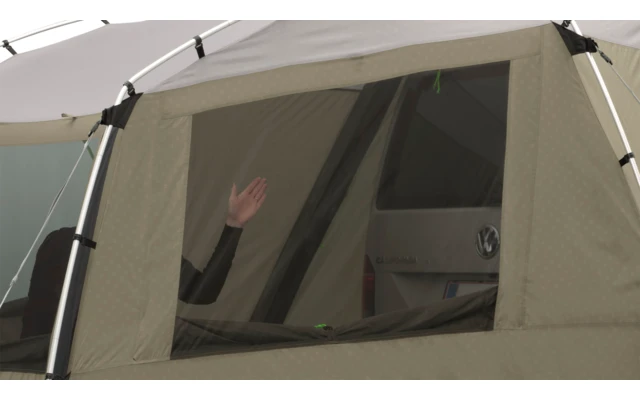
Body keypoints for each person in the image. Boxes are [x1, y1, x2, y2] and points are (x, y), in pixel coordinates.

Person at [20, 177, 267, 338]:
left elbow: (203, 292)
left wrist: (233, 224)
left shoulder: (147, 249)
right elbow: (37, 322)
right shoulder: (61, 243)